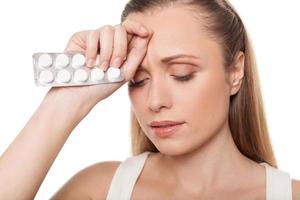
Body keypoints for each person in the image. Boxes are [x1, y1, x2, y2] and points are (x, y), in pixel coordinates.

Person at [0, 0, 300, 199]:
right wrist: (64, 102)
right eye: (139, 80)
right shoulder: (98, 189)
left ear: (235, 71)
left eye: (182, 74)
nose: (155, 101)